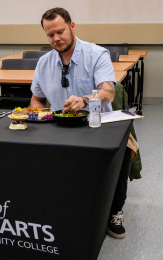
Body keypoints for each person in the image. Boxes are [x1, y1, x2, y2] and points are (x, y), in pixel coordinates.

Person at [30, 7, 129, 239]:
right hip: (58, 126)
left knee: (122, 153)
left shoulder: (96, 54)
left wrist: (85, 100)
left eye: (60, 32)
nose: (56, 38)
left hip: (97, 124)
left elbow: (108, 92)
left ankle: (115, 209)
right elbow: (36, 97)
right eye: (50, 35)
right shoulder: (44, 62)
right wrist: (41, 115)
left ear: (72, 26)